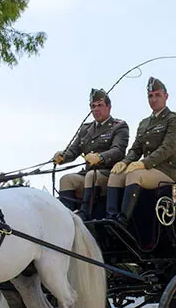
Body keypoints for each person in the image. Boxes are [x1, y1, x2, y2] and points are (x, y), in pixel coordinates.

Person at [106, 77, 176, 223]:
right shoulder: (144, 123)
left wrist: (143, 163)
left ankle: (123, 221)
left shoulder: (174, 119)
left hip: (167, 171)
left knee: (135, 175)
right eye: (150, 96)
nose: (153, 99)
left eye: (157, 95)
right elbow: (136, 149)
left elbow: (168, 148)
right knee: (115, 175)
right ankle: (111, 219)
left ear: (166, 96)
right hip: (147, 170)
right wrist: (125, 162)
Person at [52, 88, 130, 219]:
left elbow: (118, 150)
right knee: (66, 180)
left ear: (109, 107)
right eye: (93, 106)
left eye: (100, 105)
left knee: (91, 176)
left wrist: (100, 157)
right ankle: (66, 217)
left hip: (109, 175)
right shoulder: (85, 129)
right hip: (88, 174)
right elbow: (74, 150)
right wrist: (62, 156)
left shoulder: (119, 126)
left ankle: (85, 215)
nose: (96, 109)